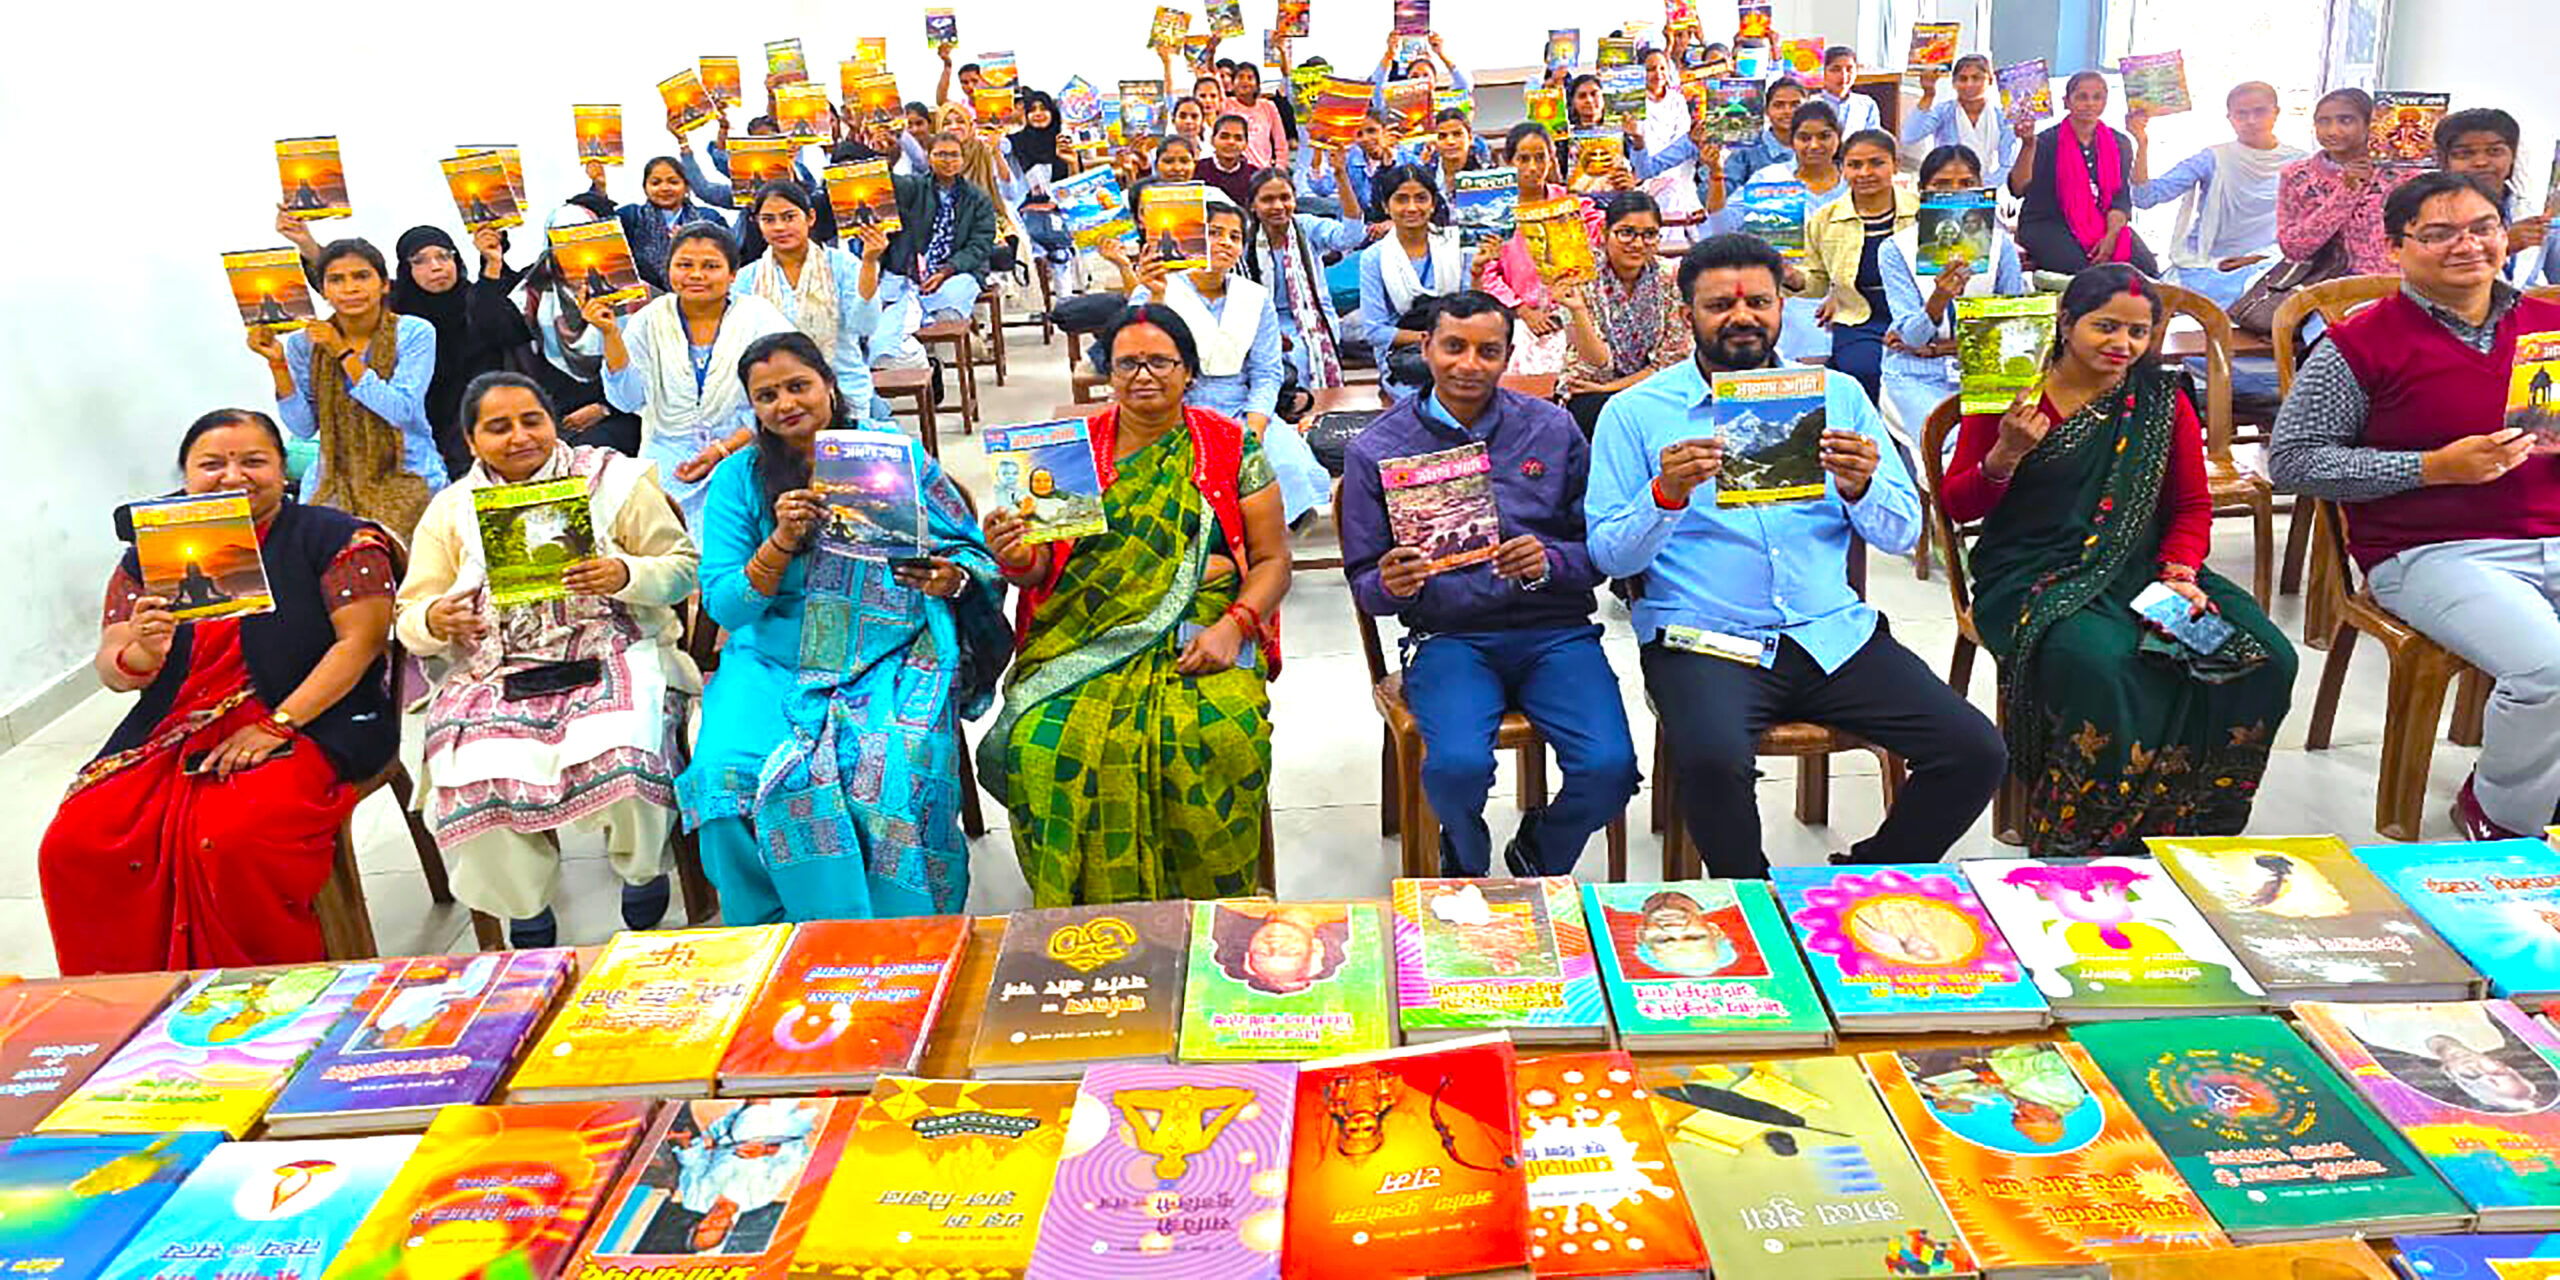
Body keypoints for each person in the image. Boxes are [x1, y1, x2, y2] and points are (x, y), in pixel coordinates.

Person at [1585, 233, 2007, 876]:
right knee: (1713, 761)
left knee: (1976, 751)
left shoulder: (1835, 395)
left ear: (1782, 303)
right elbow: (1610, 556)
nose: (1743, 316)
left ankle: (1862, 877)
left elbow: (1900, 535)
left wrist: (1862, 485)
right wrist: (1665, 496)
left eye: (1758, 300)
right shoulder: (1636, 413)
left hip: (1830, 630)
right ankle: (1752, 901)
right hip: (1705, 636)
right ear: (1687, 314)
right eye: (1719, 306)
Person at [1941, 266, 2296, 854]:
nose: (2121, 345)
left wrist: (2180, 575)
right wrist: (2005, 454)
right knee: (2106, 666)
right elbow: (1957, 505)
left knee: (2261, 656)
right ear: (2064, 321)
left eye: (2137, 332)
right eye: (2105, 326)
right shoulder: (2009, 392)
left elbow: (2189, 504)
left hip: (2147, 571)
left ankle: (2192, 824)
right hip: (2036, 576)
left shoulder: (2159, 400)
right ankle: (2089, 837)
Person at [40, 410, 398, 975]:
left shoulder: (335, 538)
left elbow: (361, 644)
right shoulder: (151, 554)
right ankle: (129, 999)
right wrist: (143, 650)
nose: (233, 475)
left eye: (253, 461)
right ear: (185, 477)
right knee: (77, 842)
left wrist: (279, 723)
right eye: (212, 464)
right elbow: (114, 669)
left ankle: (269, 989)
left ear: (284, 471)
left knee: (231, 838)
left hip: (313, 715)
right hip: (174, 725)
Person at [2269, 171, 2560, 841]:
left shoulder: (2549, 326)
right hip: (2434, 552)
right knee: (2546, 668)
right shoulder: (2358, 344)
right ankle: (2501, 815)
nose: (2468, 245)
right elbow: (2295, 461)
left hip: (2548, 530)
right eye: (2439, 233)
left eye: (2483, 228)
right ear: (2396, 247)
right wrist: (2431, 468)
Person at [684, 333, 1009, 920]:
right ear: (752, 407)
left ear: (829, 386)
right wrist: (780, 543)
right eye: (767, 395)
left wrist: (946, 578)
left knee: (893, 765)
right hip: (773, 656)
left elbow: (974, 554)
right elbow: (727, 607)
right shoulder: (739, 478)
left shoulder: (894, 454)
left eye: (798, 386)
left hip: (891, 646)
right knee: (723, 776)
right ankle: (766, 932)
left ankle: (906, 927)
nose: (786, 403)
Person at [978, 305, 1291, 905]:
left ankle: (1215, 911)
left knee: (1215, 735)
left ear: (1189, 371)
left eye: (1160, 361)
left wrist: (1236, 626)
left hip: (1203, 631)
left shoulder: (1229, 448)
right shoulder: (1066, 451)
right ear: (1108, 373)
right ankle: (1080, 919)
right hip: (1082, 635)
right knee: (1045, 744)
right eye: (1127, 363)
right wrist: (1014, 555)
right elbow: (1041, 570)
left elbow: (1274, 561)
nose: (1143, 375)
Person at [1340, 293, 1640, 876]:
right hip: (1450, 637)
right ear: (1426, 348)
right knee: (1453, 768)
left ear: (1508, 356)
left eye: (1488, 351)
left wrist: (1549, 560)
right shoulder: (1379, 448)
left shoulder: (1552, 429)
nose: (1469, 364)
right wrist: (1393, 582)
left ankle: (1541, 851)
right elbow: (1365, 585)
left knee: (1610, 767)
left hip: (1555, 633)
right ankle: (1465, 853)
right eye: (1453, 347)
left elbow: (1601, 554)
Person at [395, 374, 700, 946]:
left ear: (551, 422)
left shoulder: (614, 481)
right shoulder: (451, 510)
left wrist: (625, 574)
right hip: (497, 664)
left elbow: (681, 566)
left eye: (531, 420)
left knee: (627, 747)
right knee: (468, 770)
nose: (519, 438)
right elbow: (410, 611)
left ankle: (641, 871)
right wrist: (438, 619)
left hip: (610, 645)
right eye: (498, 427)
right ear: (470, 440)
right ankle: (524, 902)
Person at [1108, 200, 1326, 523]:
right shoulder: (1159, 288)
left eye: (1235, 236)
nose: (1225, 242)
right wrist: (1153, 294)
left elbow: (1266, 374)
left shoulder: (1254, 297)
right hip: (1175, 411)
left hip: (1241, 408)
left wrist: (1252, 433)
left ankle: (1269, 540)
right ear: (1192, 239)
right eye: (1214, 233)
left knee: (1288, 466)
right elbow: (1137, 354)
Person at [247, 238, 444, 541]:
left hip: (407, 469)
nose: (350, 288)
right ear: (324, 290)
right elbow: (303, 427)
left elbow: (400, 411)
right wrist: (277, 364)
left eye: (362, 276)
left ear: (384, 285)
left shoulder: (414, 332)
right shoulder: (304, 343)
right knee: (319, 545)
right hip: (333, 475)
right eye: (336, 280)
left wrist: (341, 352)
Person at [597, 223, 793, 522]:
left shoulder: (759, 318)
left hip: (746, 451)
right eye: (684, 265)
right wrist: (610, 334)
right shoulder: (648, 320)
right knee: (665, 542)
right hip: (668, 454)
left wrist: (723, 450)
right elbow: (626, 401)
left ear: (732, 275)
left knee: (740, 533)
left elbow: (783, 400)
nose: (696, 275)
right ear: (669, 270)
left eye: (710, 266)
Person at [471, 196, 642, 457]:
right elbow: (496, 330)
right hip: (553, 416)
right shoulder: (537, 289)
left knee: (591, 461)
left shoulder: (627, 294)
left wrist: (604, 407)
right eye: (564, 243)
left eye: (582, 241)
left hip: (621, 413)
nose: (573, 251)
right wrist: (493, 264)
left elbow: (649, 367)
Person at [1879, 145, 2026, 438]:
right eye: (1942, 185)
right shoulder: (1896, 249)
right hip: (1916, 373)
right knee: (1951, 441)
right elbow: (1911, 336)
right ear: (1923, 192)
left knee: (2011, 436)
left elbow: (2014, 326)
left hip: (1985, 368)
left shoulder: (2001, 247)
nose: (1957, 194)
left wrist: (1939, 348)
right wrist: (1938, 299)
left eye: (1967, 184)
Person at [2128, 81, 2304, 309]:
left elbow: (2310, 232)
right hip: (2206, 268)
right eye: (2242, 114)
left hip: (2267, 268)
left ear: (2276, 113)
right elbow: (2145, 198)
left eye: (2259, 112)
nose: (2251, 120)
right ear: (2230, 118)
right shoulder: (2213, 158)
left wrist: (2261, 257)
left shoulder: (2301, 164)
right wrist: (2141, 143)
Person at [729, 181, 884, 419]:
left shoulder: (843, 265)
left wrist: (870, 263)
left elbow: (864, 326)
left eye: (789, 217)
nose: (780, 227)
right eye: (768, 220)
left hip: (844, 389)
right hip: (779, 402)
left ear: (810, 218)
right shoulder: (748, 279)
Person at [1787, 129, 1913, 402]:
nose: (1865, 172)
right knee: (1864, 370)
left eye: (1877, 163)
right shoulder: (1825, 219)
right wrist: (1791, 277)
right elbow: (1817, 281)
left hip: (1918, 316)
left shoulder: (1922, 212)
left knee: (1921, 372)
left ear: (1896, 165)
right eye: (1854, 165)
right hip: (1858, 318)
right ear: (1842, 169)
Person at [379, 226, 513, 477]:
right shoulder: (394, 314)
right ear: (406, 270)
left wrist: (493, 262)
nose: (436, 267)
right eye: (420, 261)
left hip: (484, 421)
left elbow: (499, 328)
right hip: (417, 433)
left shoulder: (476, 299)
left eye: (444, 256)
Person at [1558, 192, 1693, 435]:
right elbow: (1595, 365)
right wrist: (1578, 310)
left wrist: (1616, 389)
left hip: (1653, 384)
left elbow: (1672, 360)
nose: (1638, 244)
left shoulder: (1671, 276)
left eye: (1649, 234)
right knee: (1596, 412)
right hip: (1591, 387)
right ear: (1604, 231)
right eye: (1627, 232)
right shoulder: (1578, 278)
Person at [1241, 165, 1378, 397]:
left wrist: (1341, 177)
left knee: (1300, 353)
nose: (1278, 206)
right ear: (1253, 205)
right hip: (1262, 321)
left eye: (1285, 198)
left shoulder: (1306, 227)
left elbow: (1352, 236)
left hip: (1313, 319)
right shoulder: (1244, 238)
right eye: (1268, 199)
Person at [2009, 71, 2158, 275]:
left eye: (2097, 97)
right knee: (2086, 274)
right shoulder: (2045, 141)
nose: (2090, 104)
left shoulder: (2119, 143)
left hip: (2104, 224)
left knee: (2146, 270)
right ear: (2066, 101)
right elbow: (2018, 188)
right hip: (2048, 223)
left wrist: (2111, 237)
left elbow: (2119, 200)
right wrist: (2027, 145)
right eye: (2082, 97)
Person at [1471, 123, 1584, 378]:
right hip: (1515, 315)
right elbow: (1489, 273)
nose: (1532, 167)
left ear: (1552, 159)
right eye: (1523, 159)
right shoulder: (1495, 209)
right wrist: (1523, 311)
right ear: (1509, 161)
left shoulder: (1568, 204)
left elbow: (1586, 259)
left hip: (1568, 309)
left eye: (1540, 157)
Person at [1354, 165, 1474, 402]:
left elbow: (1472, 308)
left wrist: (1478, 270)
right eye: (1401, 199)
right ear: (1386, 206)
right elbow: (1376, 331)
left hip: (1458, 345)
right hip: (1404, 356)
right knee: (1425, 398)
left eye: (1421, 198)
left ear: (1432, 203)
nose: (1412, 207)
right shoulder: (1374, 257)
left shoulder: (1456, 245)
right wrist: (1432, 340)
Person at [2277, 88, 2410, 279]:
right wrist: (2347, 192)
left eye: (2346, 120)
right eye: (2323, 121)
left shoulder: (2401, 174)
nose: (2332, 131)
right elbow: (2293, 248)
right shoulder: (2297, 176)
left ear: (2370, 124)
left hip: (2391, 287)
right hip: (2322, 291)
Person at [881, 131, 997, 330]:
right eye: (941, 154)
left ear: (963, 159)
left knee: (946, 312)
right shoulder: (915, 187)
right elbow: (886, 184)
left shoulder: (978, 198)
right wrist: (889, 157)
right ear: (929, 157)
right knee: (888, 311)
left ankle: (943, 355)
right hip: (914, 271)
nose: (948, 161)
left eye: (954, 155)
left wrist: (946, 271)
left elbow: (980, 245)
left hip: (958, 271)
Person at [2437, 108, 2558, 285]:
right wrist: (2502, 246)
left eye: (2495, 151)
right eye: (2465, 154)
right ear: (2443, 161)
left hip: (2523, 310)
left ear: (2513, 157)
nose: (2481, 162)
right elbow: (2426, 274)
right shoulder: (2426, 211)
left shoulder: (2531, 212)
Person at [619, 154, 735, 291]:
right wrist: (599, 188)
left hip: (701, 294)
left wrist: (691, 242)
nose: (665, 188)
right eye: (656, 183)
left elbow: (730, 256)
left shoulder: (708, 218)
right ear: (645, 188)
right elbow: (599, 230)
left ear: (687, 187)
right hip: (646, 301)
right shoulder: (630, 216)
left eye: (673, 182)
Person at [1902, 54, 2018, 173]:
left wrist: (1984, 186)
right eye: (1963, 79)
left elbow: (2008, 163)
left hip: (1986, 185)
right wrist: (1928, 95)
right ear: (1953, 83)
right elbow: (1909, 136)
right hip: (1946, 182)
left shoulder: (2001, 117)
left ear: (1990, 81)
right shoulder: (1944, 112)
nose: (1969, 84)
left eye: (1976, 78)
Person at [1638, 47, 1701, 222]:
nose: (1657, 74)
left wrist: (1665, 171)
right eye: (1650, 69)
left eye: (1662, 68)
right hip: (1642, 171)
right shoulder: (1635, 102)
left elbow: (1682, 139)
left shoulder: (1677, 100)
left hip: (1674, 170)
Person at [1228, 61, 1290, 169]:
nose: (1245, 81)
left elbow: (1280, 142)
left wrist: (1280, 168)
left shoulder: (1268, 106)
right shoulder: (1226, 104)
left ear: (1257, 85)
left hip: (1262, 171)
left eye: (1250, 78)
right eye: (1240, 77)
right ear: (1232, 84)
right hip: (1235, 171)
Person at [1814, 45, 1881, 137]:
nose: (1844, 76)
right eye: (1835, 70)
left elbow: (1872, 139)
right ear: (1823, 72)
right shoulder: (1811, 103)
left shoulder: (1867, 104)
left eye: (1849, 69)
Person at [1200, 114, 1260, 208]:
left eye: (1238, 138)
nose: (1231, 142)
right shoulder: (1198, 171)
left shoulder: (1255, 175)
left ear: (1246, 144)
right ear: (1212, 140)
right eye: (1224, 136)